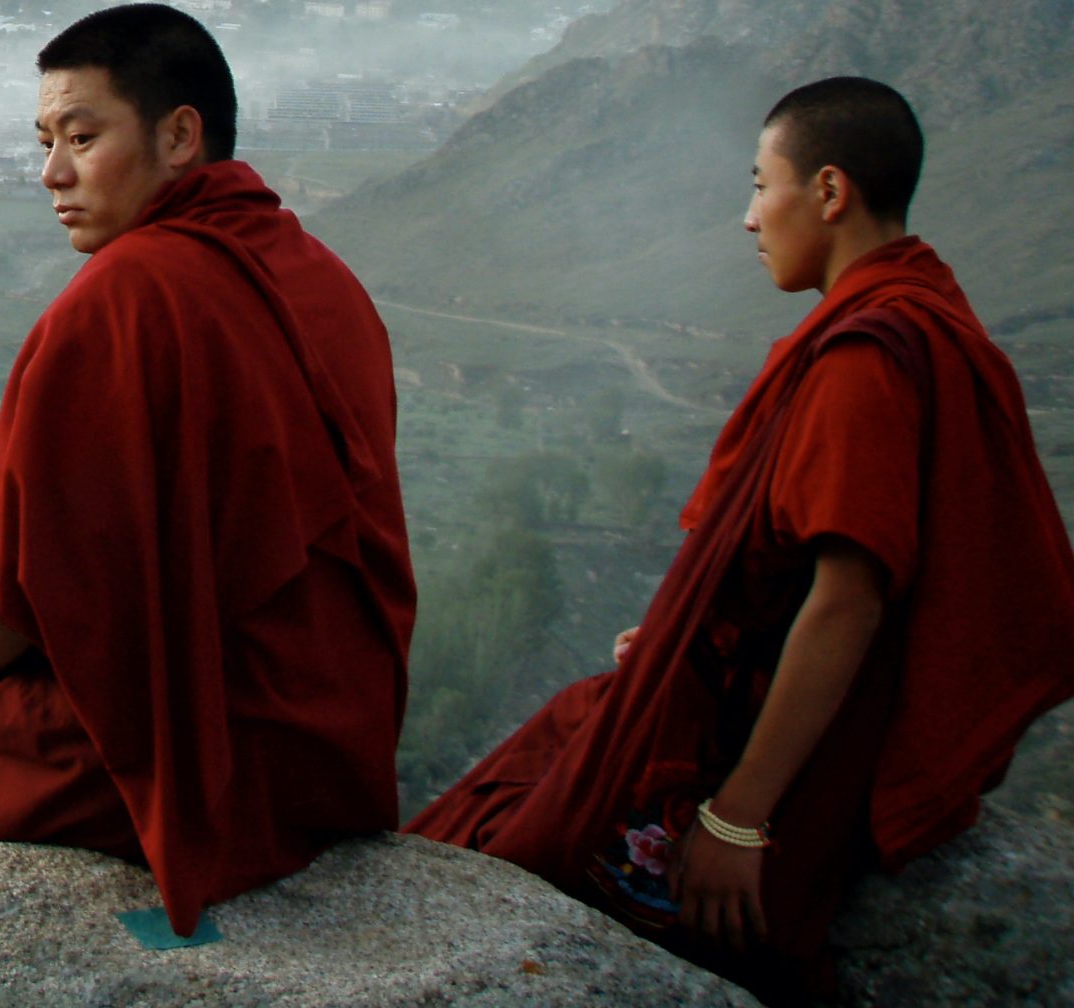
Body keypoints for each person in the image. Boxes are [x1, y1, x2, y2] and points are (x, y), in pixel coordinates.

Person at [408, 76, 1074, 1001]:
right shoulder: (920, 313)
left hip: (785, 770)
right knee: (557, 741)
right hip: (755, 693)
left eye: (762, 185)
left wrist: (736, 821)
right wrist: (683, 641)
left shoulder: (864, 363)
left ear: (830, 193)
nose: (749, 218)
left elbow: (848, 600)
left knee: (512, 841)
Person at [0, 3, 416, 936]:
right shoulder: (322, 277)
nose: (52, 173)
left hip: (192, 766)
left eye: (82, 136)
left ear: (180, 134)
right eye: (45, 141)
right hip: (330, 750)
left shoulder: (122, 298)